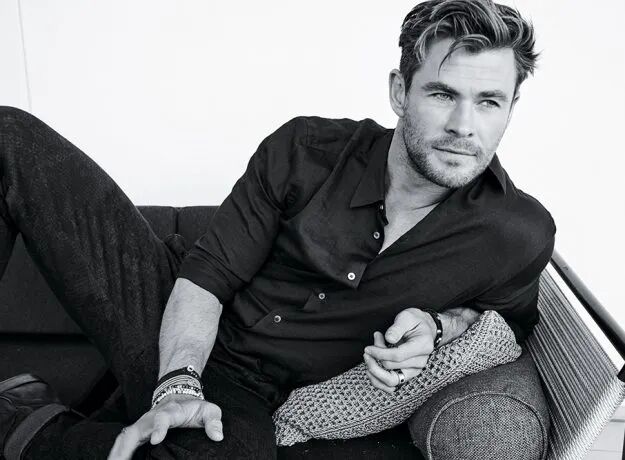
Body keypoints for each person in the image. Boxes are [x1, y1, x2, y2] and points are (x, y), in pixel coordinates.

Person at [0, 0, 555, 458]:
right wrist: (178, 384)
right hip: (170, 307)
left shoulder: (515, 233)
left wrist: (438, 326)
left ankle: (25, 422)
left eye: (489, 102)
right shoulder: (305, 149)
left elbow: (501, 323)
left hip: (249, 393)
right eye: (442, 94)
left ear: (511, 108)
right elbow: (207, 279)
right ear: (399, 92)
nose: (463, 126)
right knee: (9, 138)